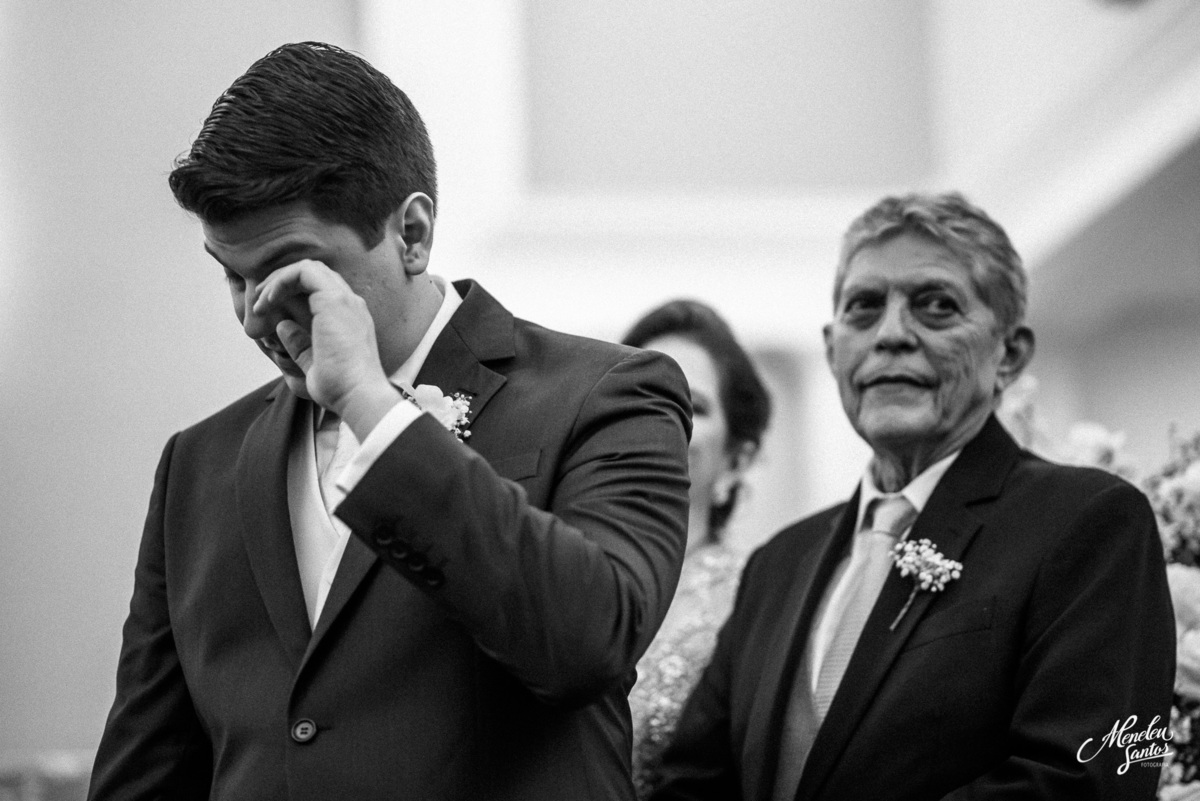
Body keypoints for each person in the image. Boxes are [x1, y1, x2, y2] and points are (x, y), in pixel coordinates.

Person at [88, 42, 691, 801]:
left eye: (291, 271)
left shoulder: (605, 395)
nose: (254, 316)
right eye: (232, 277)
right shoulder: (198, 464)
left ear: (411, 233)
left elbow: (585, 642)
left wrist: (372, 408)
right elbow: (146, 769)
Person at [652, 192, 1175, 800]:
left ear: (1009, 354)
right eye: (864, 308)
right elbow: (693, 782)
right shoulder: (778, 563)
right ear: (830, 348)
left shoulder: (1089, 523)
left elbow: (1088, 778)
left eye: (936, 306)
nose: (891, 334)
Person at [621, 300, 772, 798]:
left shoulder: (759, 599)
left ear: (736, 457)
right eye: (643, 393)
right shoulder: (552, 563)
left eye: (694, 404)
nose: (661, 415)